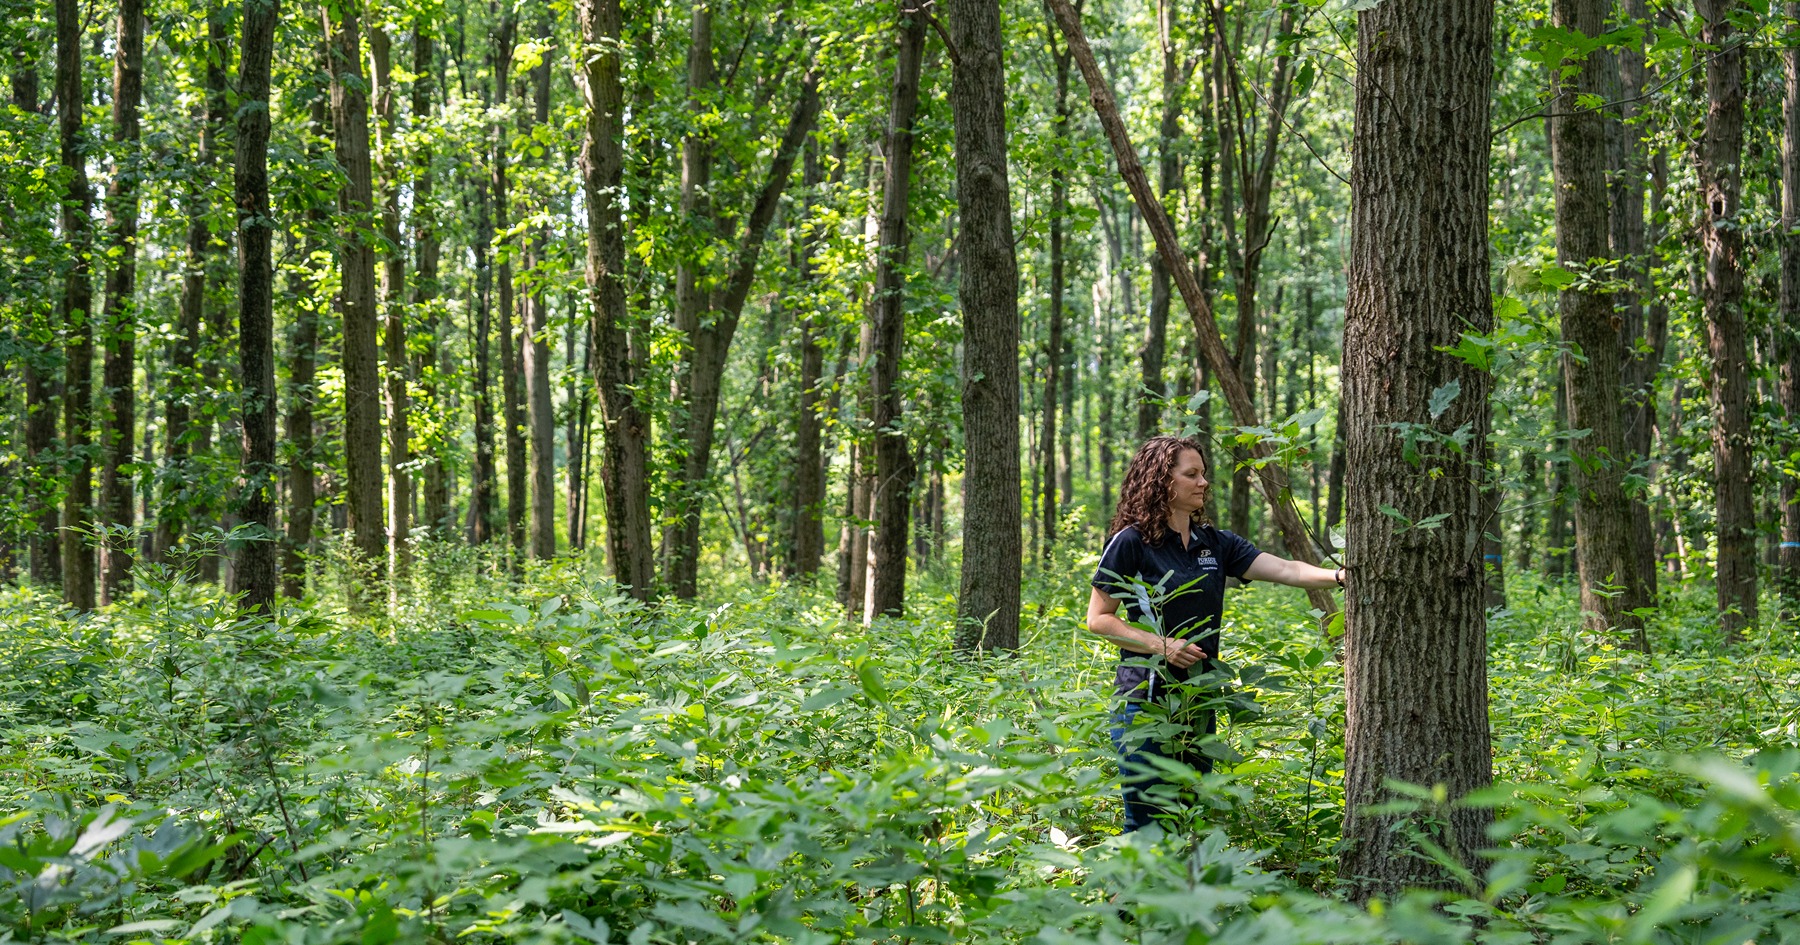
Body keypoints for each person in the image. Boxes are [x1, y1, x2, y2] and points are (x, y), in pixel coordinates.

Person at [1086, 435, 1342, 832]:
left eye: (1203, 473)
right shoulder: (1132, 541)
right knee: (1148, 822)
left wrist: (1341, 576)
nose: (1203, 482)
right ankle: (1133, 893)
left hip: (1199, 697)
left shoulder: (1214, 543)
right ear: (1161, 481)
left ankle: (1184, 891)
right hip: (1146, 701)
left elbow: (1287, 570)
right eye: (1192, 474)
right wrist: (1162, 645)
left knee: (1189, 814)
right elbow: (1099, 618)